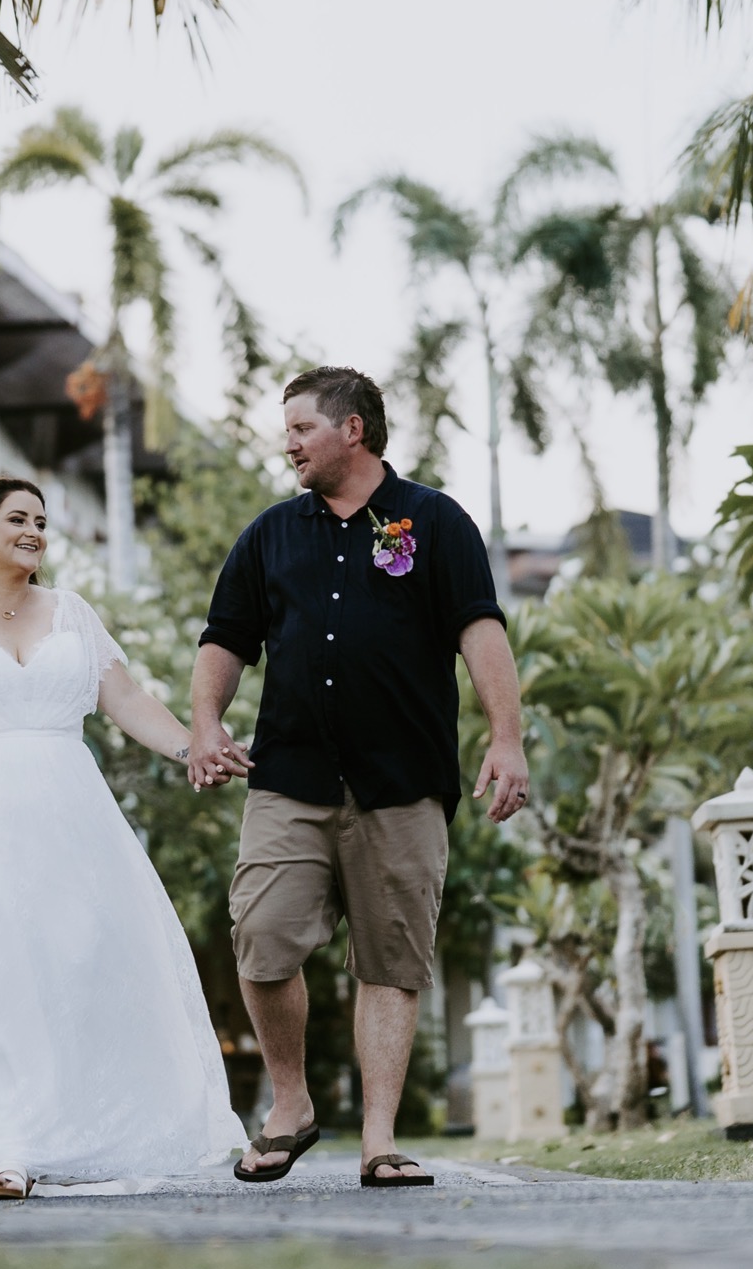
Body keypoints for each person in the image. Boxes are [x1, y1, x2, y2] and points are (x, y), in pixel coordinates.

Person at [0, 477, 242, 1201]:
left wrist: (193, 749)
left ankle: (66, 1128)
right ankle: (5, 1146)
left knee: (70, 965)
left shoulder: (72, 613)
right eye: (18, 519)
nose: (34, 532)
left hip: (68, 819)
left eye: (42, 522)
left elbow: (125, 699)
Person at [188, 367, 529, 1190]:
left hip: (402, 781)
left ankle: (380, 1140)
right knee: (262, 939)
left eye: (302, 427)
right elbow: (225, 639)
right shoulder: (270, 535)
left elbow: (479, 630)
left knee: (391, 961)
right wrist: (204, 723)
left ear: (354, 430)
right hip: (289, 776)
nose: (289, 444)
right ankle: (292, 1104)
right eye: (287, 429)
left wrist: (506, 739)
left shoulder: (437, 522)